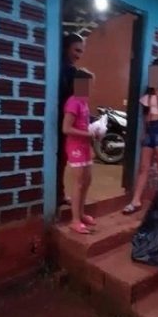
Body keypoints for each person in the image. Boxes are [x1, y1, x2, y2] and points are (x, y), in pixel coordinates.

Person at [123, 58, 158, 214]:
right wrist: (145, 133)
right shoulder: (149, 91)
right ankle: (136, 201)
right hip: (151, 130)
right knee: (143, 167)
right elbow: (146, 115)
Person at [62, 70, 98, 234]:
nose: (91, 88)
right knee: (78, 183)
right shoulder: (73, 102)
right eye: (89, 85)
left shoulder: (84, 103)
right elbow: (66, 128)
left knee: (87, 180)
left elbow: (85, 126)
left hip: (84, 147)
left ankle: (81, 214)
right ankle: (74, 220)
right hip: (75, 147)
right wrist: (89, 134)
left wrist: (90, 144)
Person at [58, 33, 86, 205]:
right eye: (76, 50)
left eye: (81, 52)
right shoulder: (71, 72)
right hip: (67, 123)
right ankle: (59, 197)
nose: (78, 55)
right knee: (64, 163)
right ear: (66, 47)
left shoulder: (62, 68)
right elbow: (82, 101)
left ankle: (59, 195)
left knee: (62, 162)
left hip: (64, 121)